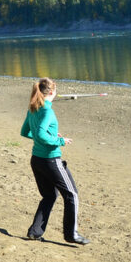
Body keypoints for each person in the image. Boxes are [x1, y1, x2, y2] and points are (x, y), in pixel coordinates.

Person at [21, 78, 89, 245]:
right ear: (52, 92)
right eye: (56, 90)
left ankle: (35, 232)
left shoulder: (34, 108)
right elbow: (40, 135)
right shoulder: (47, 111)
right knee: (72, 194)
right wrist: (59, 141)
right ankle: (71, 234)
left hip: (36, 160)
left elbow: (26, 132)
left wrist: (48, 137)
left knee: (49, 195)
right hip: (50, 160)